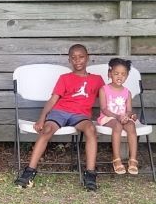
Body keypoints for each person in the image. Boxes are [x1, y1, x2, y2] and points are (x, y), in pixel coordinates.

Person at [14, 44, 105, 191]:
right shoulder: (65, 78)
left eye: (81, 57)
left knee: (91, 129)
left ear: (88, 57)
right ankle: (29, 171)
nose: (78, 61)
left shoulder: (97, 80)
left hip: (80, 115)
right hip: (60, 112)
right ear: (69, 60)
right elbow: (52, 100)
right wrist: (42, 118)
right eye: (74, 58)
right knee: (47, 130)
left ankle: (90, 174)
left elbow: (107, 100)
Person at [97, 58, 138, 175]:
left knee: (131, 126)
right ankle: (116, 158)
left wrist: (131, 115)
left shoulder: (127, 92)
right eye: (116, 73)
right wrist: (117, 116)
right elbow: (104, 109)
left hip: (122, 117)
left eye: (123, 74)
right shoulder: (104, 89)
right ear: (110, 73)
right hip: (108, 117)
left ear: (127, 76)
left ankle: (133, 159)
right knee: (118, 126)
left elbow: (129, 110)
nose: (119, 76)